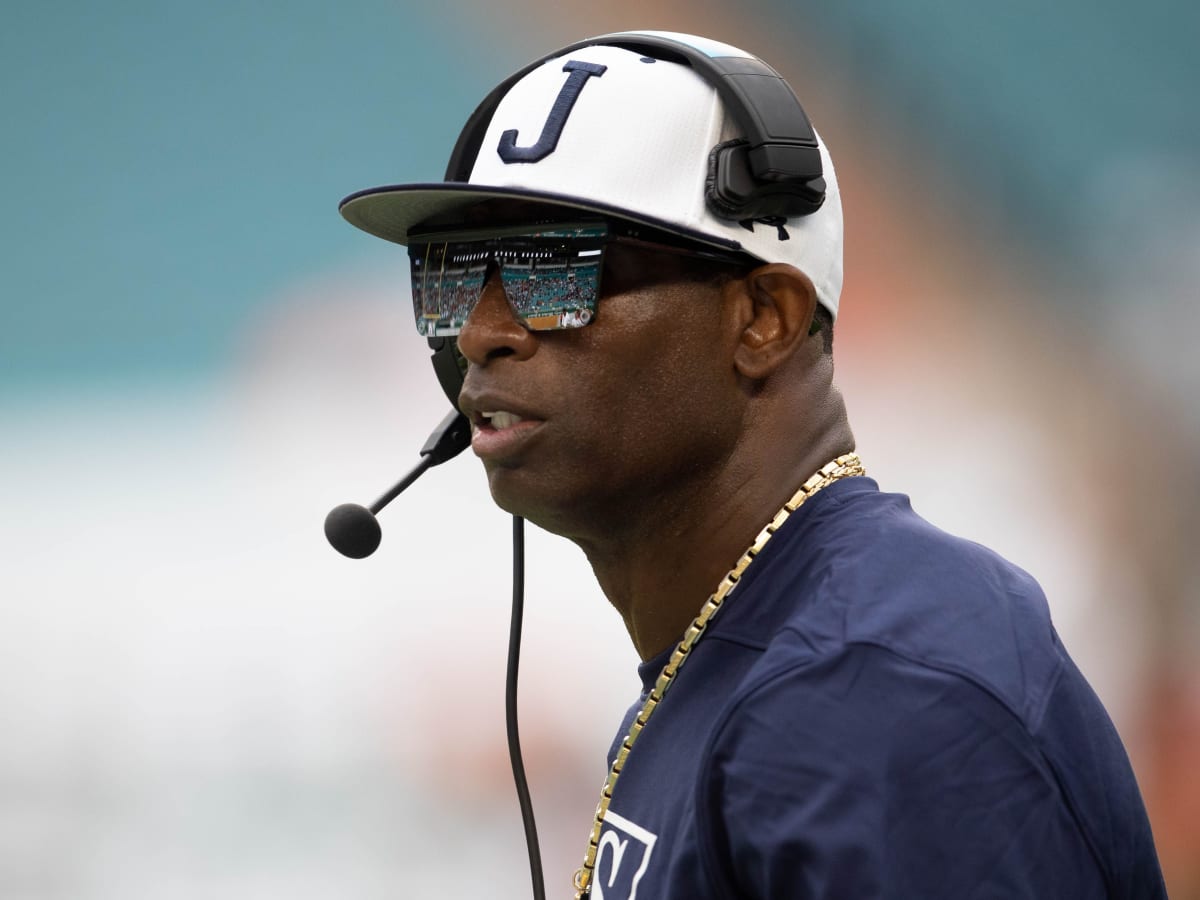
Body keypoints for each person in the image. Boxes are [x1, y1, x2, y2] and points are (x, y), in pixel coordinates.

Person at [338, 31, 1166, 899]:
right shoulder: (764, 653)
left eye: (552, 273)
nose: (479, 333)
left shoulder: (870, 692)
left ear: (764, 318)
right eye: (455, 276)